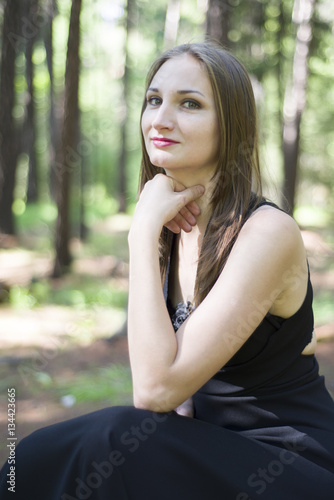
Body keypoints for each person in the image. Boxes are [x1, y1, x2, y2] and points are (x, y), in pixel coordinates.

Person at [1, 41, 334, 500]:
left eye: (190, 104)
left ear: (232, 125)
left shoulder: (267, 233)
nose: (160, 119)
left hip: (288, 465)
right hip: (207, 451)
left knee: (113, 438)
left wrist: (139, 236)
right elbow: (172, 397)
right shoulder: (171, 226)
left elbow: (154, 390)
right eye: (154, 100)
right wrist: (152, 232)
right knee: (36, 457)